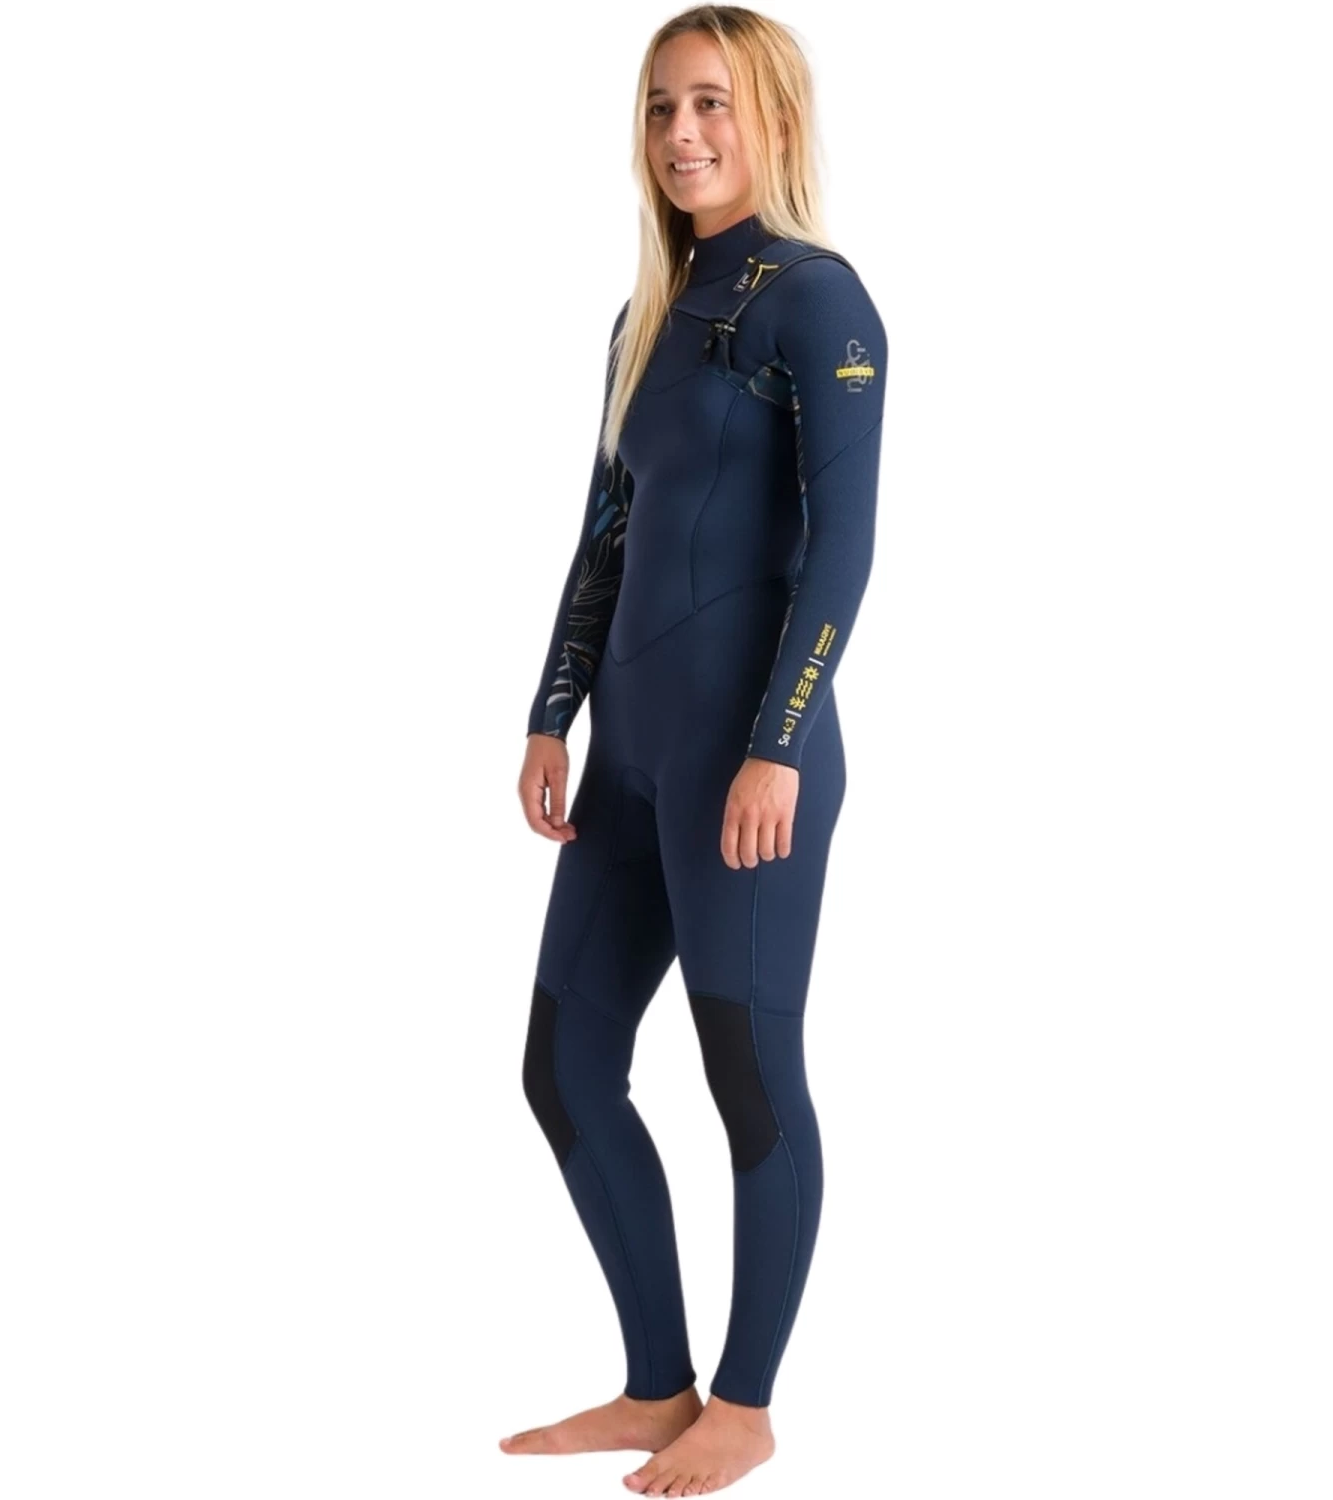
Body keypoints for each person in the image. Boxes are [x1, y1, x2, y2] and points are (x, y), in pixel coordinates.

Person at [503, 7, 887, 1494]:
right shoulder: (646, 316)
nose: (683, 134)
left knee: (749, 1072)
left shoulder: (820, 303)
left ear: (772, 117)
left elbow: (840, 555)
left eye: (713, 103)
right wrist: (551, 711)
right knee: (566, 1065)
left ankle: (747, 1402)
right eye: (663, 106)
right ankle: (657, 1383)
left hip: (750, 766)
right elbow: (606, 534)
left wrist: (777, 747)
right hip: (630, 761)